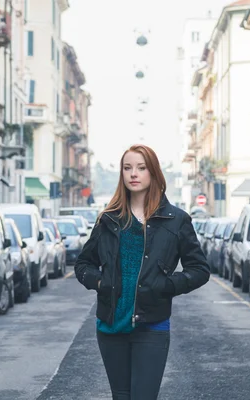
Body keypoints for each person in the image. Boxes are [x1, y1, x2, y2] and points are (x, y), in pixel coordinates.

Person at [74, 144, 210, 399]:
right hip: (110, 325)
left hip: (153, 325)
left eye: (141, 168)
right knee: (121, 396)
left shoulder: (176, 220)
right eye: (127, 168)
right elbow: (83, 264)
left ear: (154, 173)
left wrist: (166, 286)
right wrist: (101, 282)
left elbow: (200, 270)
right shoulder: (109, 219)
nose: (133, 174)